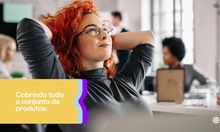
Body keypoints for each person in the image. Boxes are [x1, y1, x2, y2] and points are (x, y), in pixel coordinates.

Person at [16, 0, 155, 131]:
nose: (104, 35)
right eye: (92, 30)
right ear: (72, 44)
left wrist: (106, 39)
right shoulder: (66, 91)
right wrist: (62, 38)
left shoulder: (126, 83)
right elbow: (28, 26)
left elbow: (148, 37)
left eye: (105, 29)